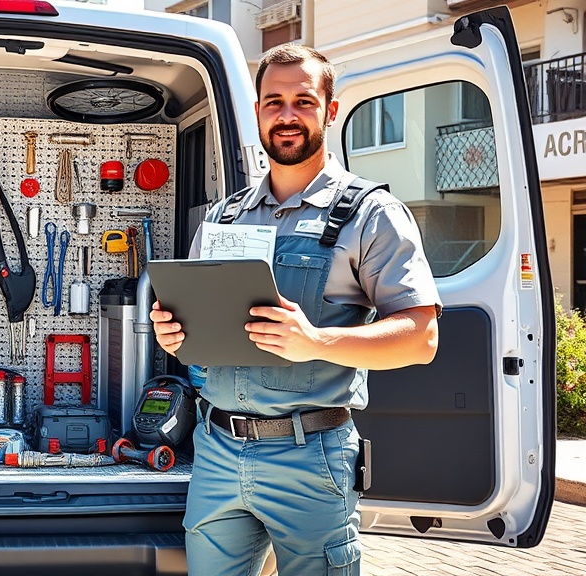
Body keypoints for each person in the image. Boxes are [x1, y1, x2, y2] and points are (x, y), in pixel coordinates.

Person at [150, 43, 441, 576]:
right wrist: (175, 334)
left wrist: (316, 341)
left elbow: (421, 337)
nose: (287, 116)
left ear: (330, 111)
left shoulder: (370, 214)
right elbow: (197, 338)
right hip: (216, 452)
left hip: (310, 457)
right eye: (273, 102)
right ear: (258, 111)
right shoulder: (224, 216)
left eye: (303, 101)